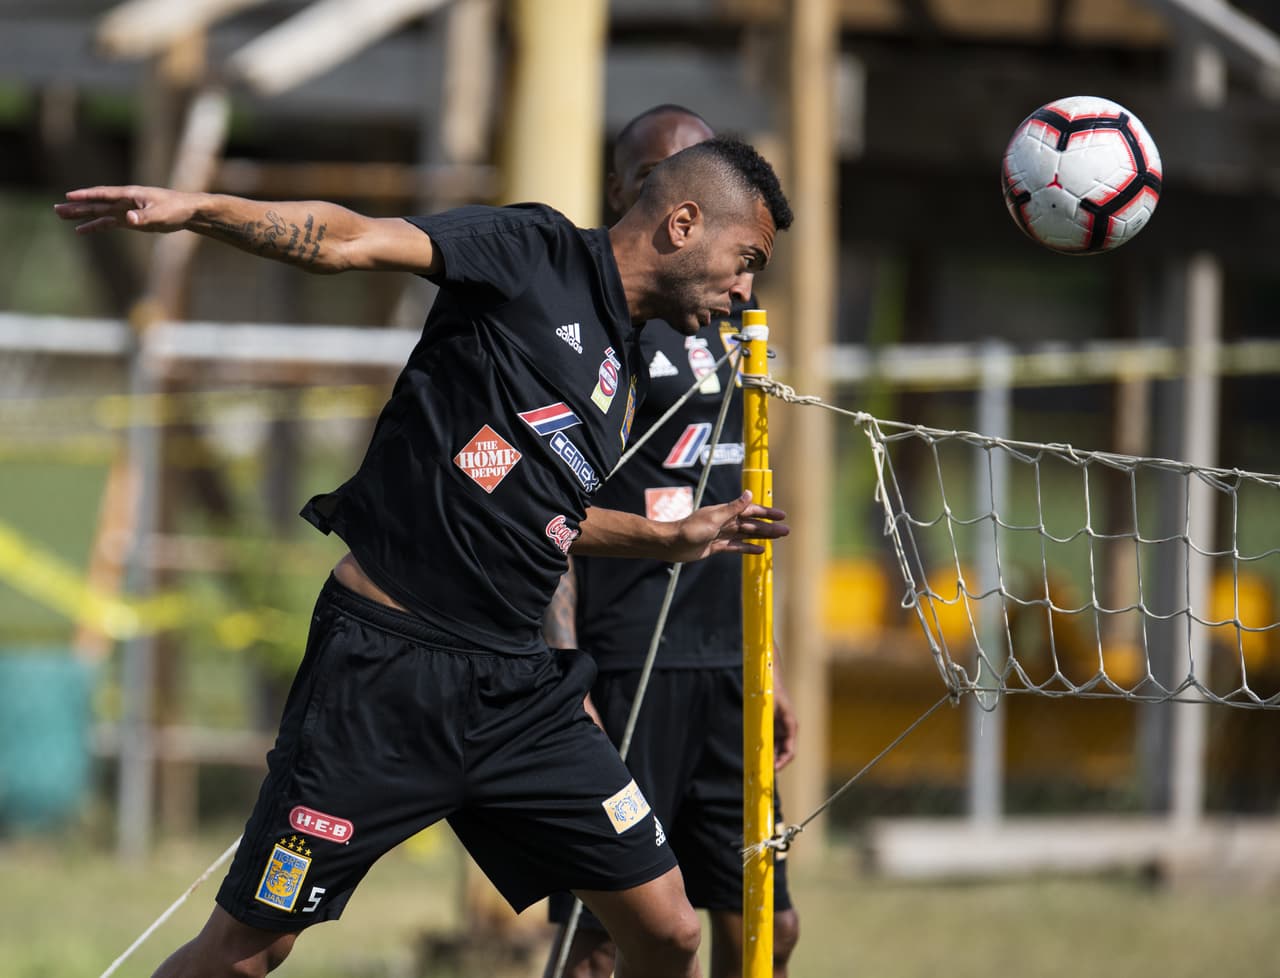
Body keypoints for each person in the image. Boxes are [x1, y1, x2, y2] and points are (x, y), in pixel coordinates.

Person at [55, 134, 793, 978]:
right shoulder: (536, 251)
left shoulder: (623, 365)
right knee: (247, 952)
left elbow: (543, 518)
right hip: (385, 670)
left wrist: (666, 537)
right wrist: (205, 211)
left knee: (668, 929)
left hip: (518, 692)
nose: (744, 291)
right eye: (745, 260)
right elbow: (350, 239)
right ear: (684, 223)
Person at [542, 106, 800, 978]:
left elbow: (741, 497)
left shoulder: (729, 317)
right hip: (626, 661)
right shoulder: (598, 324)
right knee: (610, 934)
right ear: (629, 191)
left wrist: (764, 664)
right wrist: (564, 665)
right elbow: (549, 507)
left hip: (727, 657)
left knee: (767, 920)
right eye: (671, 171)